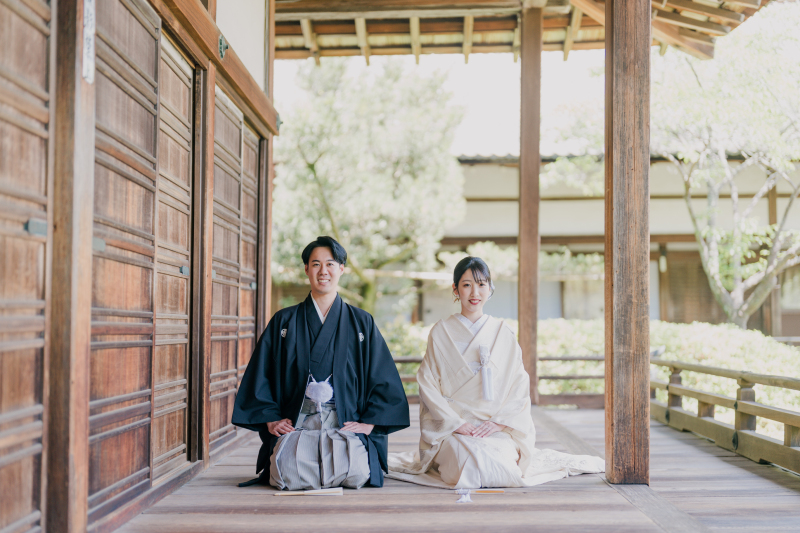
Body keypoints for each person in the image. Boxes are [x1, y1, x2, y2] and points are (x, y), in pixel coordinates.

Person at [388, 256, 604, 488]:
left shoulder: (503, 332)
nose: (475, 292)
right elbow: (427, 384)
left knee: (503, 466)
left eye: (481, 284)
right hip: (452, 429)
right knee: (464, 466)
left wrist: (499, 423)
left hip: (494, 427)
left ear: (490, 288)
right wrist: (455, 423)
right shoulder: (441, 332)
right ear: (456, 289)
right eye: (467, 284)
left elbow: (518, 384)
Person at [232, 236, 409, 490]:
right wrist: (271, 418)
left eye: (330, 264)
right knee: (286, 475)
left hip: (343, 421)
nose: (323, 271)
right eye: (316, 264)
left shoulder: (362, 322)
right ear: (306, 269)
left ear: (341, 269)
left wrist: (370, 422)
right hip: (299, 421)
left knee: (357, 473)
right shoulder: (284, 321)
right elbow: (261, 375)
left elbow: (382, 377)